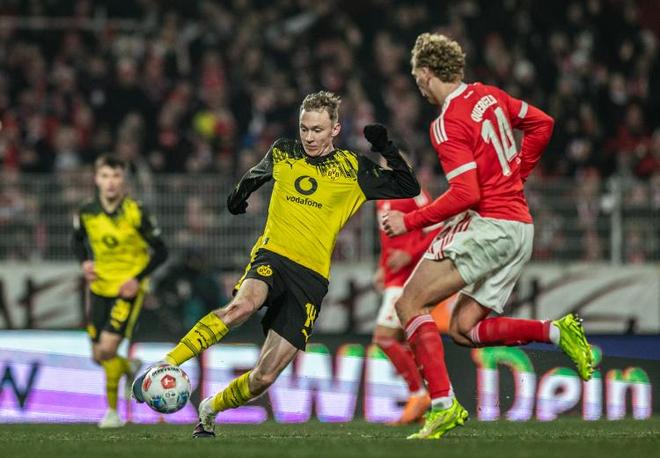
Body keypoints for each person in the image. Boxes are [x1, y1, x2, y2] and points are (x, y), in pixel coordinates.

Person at [131, 91, 420, 438]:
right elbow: (255, 175)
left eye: (317, 130)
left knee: (264, 376)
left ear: (335, 129)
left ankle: (210, 408)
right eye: (304, 128)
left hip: (311, 277)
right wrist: (238, 197)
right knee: (241, 307)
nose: (309, 137)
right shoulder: (284, 151)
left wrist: (386, 148)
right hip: (273, 255)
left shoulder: (353, 168)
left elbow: (409, 185)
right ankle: (166, 363)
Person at [381, 33, 594, 439]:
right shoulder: (489, 95)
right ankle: (556, 331)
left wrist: (410, 222)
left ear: (426, 73)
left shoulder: (445, 123)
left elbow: (466, 194)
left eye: (416, 76)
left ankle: (442, 404)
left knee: (410, 303)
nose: (417, 85)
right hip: (520, 229)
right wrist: (518, 173)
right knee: (463, 328)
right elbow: (543, 124)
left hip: (490, 226)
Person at [71, 154, 168, 428]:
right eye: (105, 176)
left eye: (116, 176)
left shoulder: (137, 212)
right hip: (99, 287)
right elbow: (77, 241)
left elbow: (162, 251)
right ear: (96, 179)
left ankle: (113, 413)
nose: (111, 182)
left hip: (127, 289)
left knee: (106, 349)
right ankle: (130, 368)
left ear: (124, 180)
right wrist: (84, 262)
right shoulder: (86, 211)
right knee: (98, 356)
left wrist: (137, 279)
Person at [373, 189, 439, 425]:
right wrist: (382, 266)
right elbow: (387, 238)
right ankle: (436, 400)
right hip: (394, 277)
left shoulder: (414, 191)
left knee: (384, 337)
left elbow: (437, 229)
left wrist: (409, 254)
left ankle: (419, 395)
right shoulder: (380, 195)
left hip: (409, 278)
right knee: (409, 343)